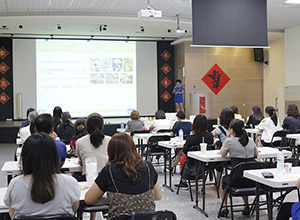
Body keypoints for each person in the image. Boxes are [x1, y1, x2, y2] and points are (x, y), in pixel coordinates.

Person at [85, 133, 162, 220]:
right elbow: (158, 196)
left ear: (111, 151)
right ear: (133, 148)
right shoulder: (148, 167)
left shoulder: (109, 171)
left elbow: (89, 199)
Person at [4, 133, 80, 218]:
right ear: (54, 156)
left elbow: (12, 212)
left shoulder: (15, 184)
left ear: (25, 158)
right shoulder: (70, 183)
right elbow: (73, 209)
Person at [219, 119, 258, 217]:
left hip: (236, 181)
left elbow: (222, 154)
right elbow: (256, 154)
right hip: (251, 180)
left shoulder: (229, 141)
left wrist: (227, 138)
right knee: (243, 172)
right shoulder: (250, 140)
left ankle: (224, 207)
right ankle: (246, 205)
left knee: (223, 179)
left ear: (231, 130)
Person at [171, 114, 214, 187]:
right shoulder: (210, 136)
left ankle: (183, 180)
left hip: (191, 163)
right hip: (207, 162)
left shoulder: (191, 138)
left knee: (181, 156)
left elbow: (185, 151)